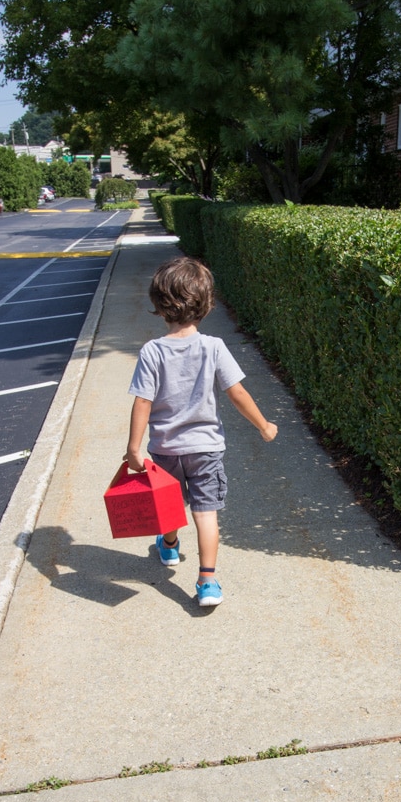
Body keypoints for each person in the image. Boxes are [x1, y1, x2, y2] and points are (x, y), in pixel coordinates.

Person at [125, 257, 278, 607]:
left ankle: (169, 546)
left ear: (159, 306)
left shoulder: (152, 352)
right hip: (206, 449)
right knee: (205, 512)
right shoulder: (213, 347)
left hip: (165, 448)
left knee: (170, 504)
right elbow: (237, 393)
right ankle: (207, 581)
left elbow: (143, 403)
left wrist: (134, 449)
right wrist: (264, 426)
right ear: (206, 305)